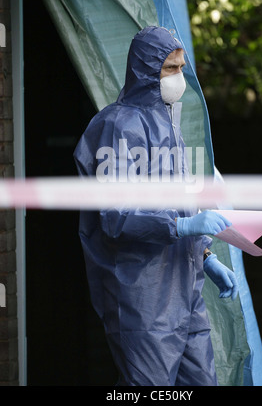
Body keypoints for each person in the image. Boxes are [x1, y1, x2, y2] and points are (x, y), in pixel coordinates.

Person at [74, 26, 238, 386]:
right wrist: (183, 228)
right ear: (146, 71)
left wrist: (206, 257)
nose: (178, 77)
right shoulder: (117, 127)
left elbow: (177, 204)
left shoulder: (170, 125)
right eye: (170, 69)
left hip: (185, 291)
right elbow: (117, 218)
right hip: (142, 299)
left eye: (181, 68)